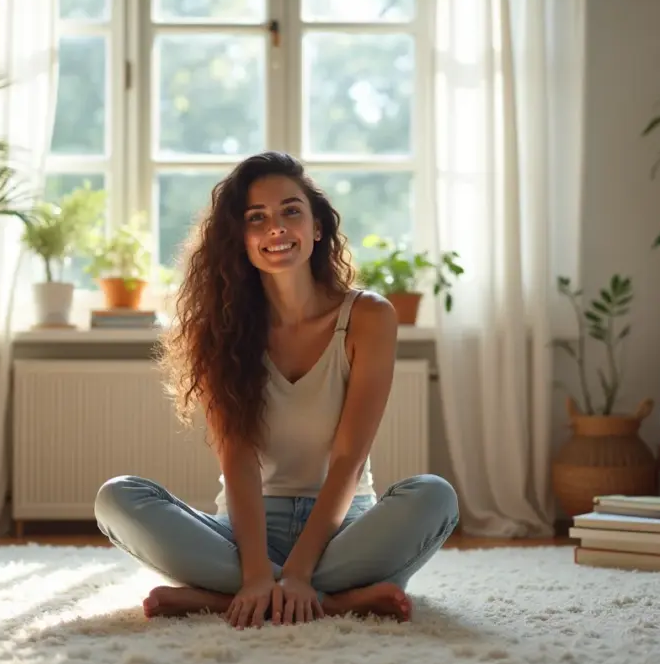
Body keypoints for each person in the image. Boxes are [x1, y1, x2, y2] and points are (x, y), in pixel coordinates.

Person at [93, 151, 459, 629]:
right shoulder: (218, 329)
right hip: (245, 532)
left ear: (318, 226)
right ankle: (334, 601)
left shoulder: (369, 317)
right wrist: (256, 570)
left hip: (343, 526)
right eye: (256, 218)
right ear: (239, 239)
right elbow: (238, 462)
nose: (276, 227)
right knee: (117, 498)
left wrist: (301, 571)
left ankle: (238, 598)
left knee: (435, 496)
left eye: (291, 210)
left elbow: (349, 458)